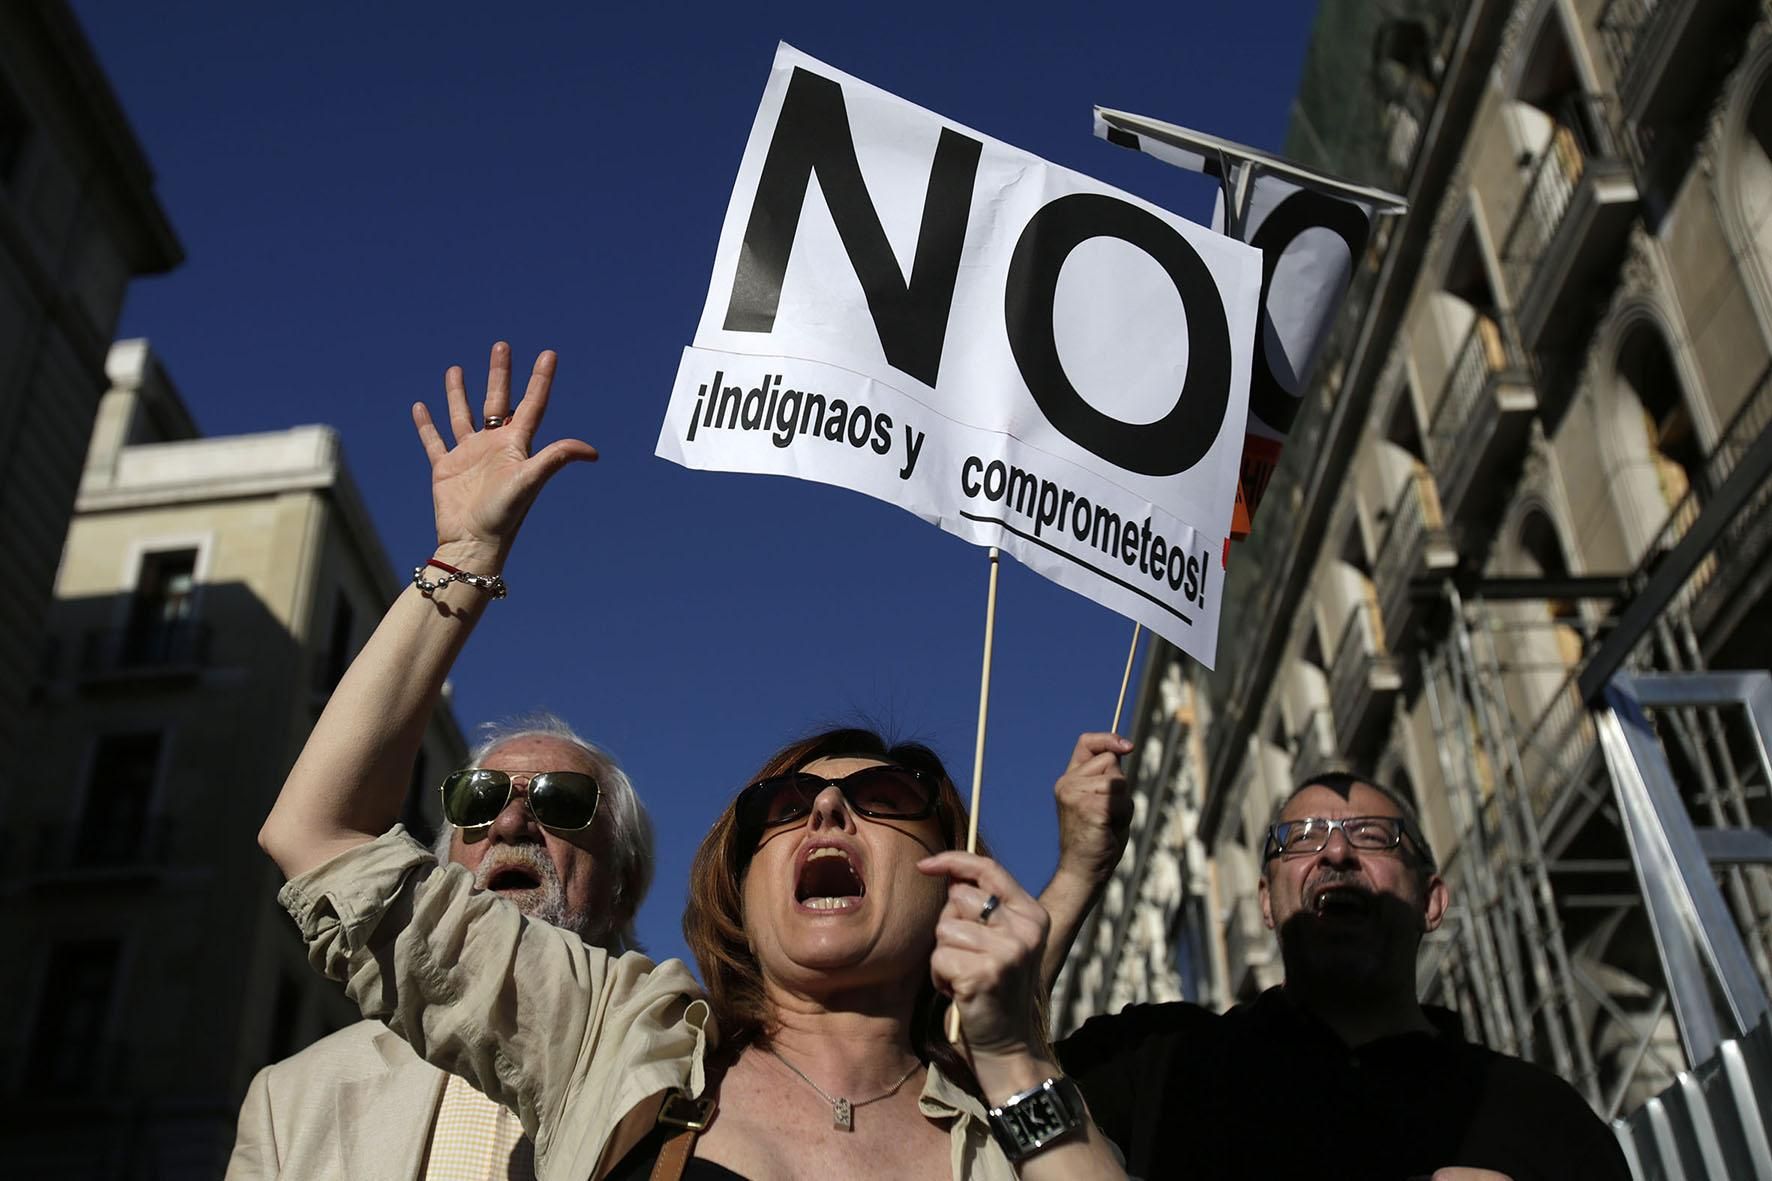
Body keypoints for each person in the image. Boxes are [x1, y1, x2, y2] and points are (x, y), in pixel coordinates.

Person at [256, 342, 1126, 1179]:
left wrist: (1014, 1055)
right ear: (735, 889)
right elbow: (319, 833)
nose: (825, 812)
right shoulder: (618, 1037)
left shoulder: (1011, 1120)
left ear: (950, 877)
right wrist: (463, 559)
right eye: (779, 807)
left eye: (884, 794)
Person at [1048, 769, 1635, 1181]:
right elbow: (977, 1080)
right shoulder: (1158, 1062)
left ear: (1432, 901)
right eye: (1301, 840)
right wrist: (1078, 871)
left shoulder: (1542, 1115)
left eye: (1373, 836)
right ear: (1266, 903)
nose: (1335, 854)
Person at [226, 713, 651, 1180]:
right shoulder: (288, 1100)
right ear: (442, 863)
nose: (509, 824)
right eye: (479, 800)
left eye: (562, 801)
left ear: (623, 892)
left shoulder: (695, 1072)